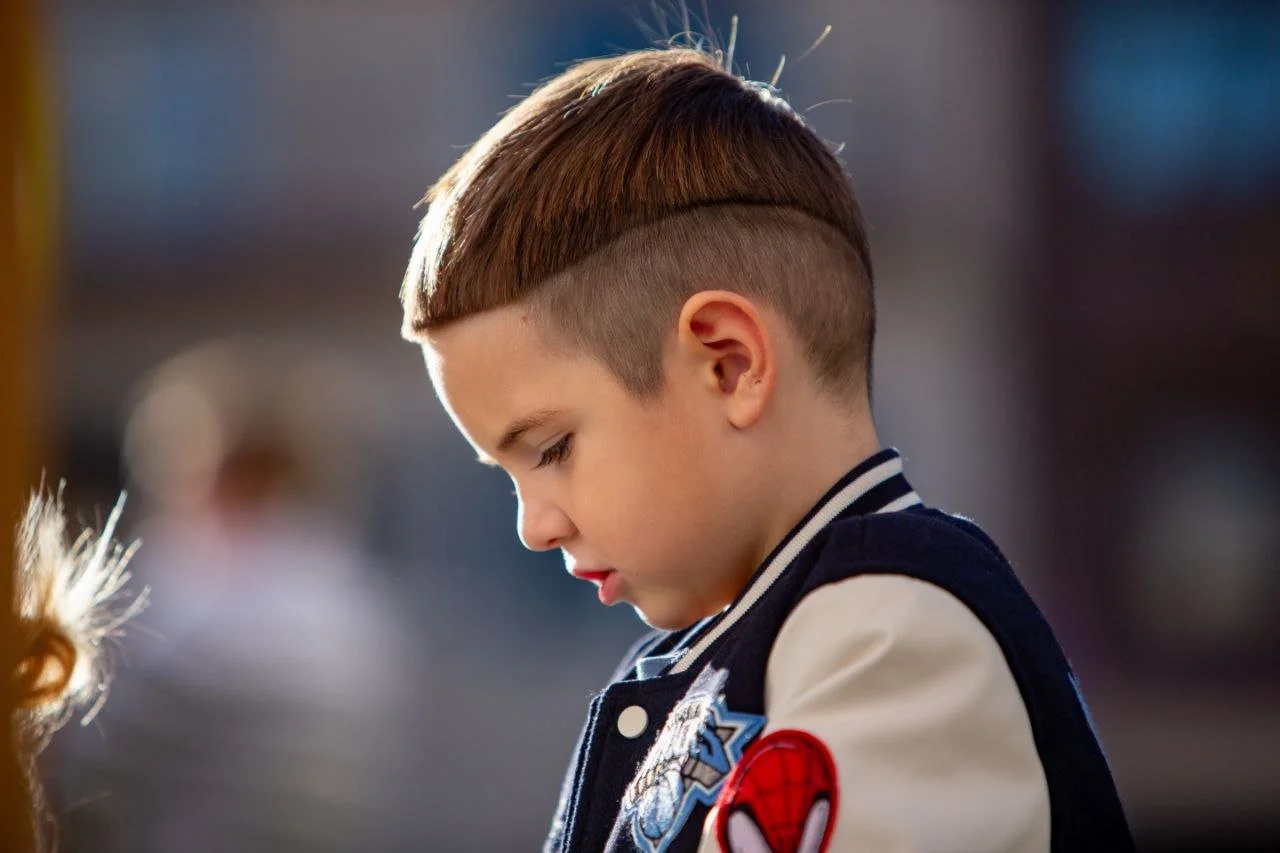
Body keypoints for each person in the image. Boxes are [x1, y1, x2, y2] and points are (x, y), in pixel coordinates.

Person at [399, 45, 1133, 852]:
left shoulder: (891, 631)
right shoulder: (762, 640)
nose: (532, 526)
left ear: (729, 362)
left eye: (551, 448)